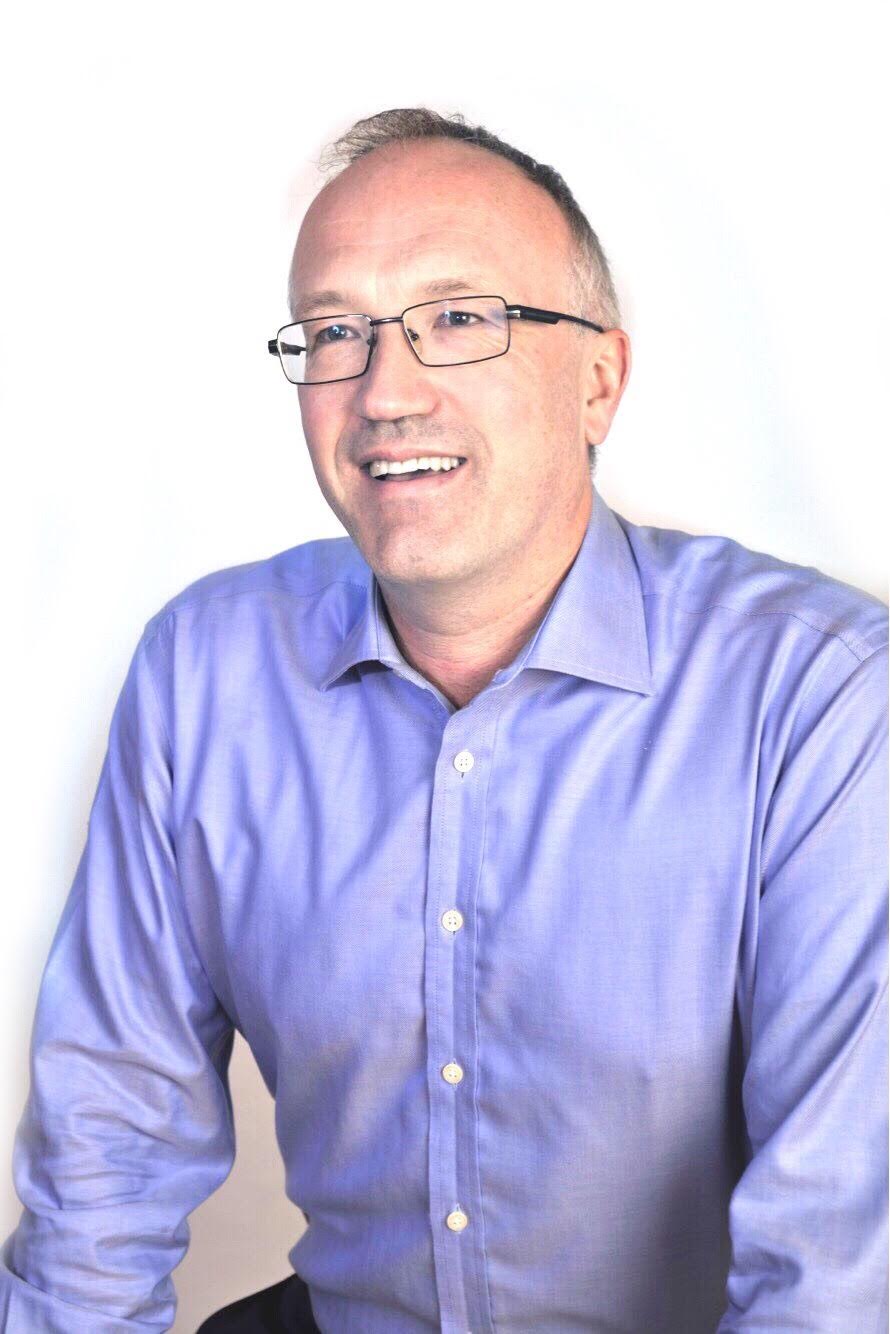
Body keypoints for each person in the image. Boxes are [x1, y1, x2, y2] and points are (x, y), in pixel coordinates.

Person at [0, 106, 886, 1334]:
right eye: (335, 332)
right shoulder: (203, 676)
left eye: (459, 319)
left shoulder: (819, 698)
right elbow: (106, 1157)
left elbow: (833, 1268)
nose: (384, 392)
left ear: (597, 380)